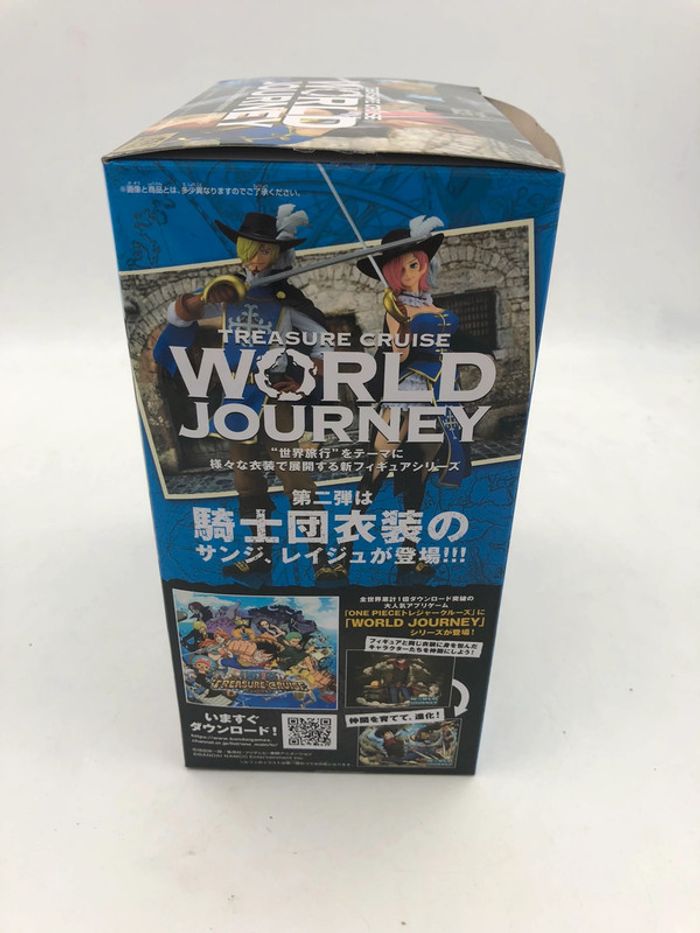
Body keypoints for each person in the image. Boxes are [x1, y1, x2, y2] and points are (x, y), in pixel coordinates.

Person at [153, 205, 345, 583]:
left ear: (277, 253)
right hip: (237, 397)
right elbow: (179, 315)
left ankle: (323, 557)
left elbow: (324, 345)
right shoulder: (228, 290)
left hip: (275, 396)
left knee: (295, 479)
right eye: (249, 250)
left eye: (264, 251)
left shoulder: (285, 297)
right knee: (246, 482)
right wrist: (207, 295)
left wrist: (304, 375)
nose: (256, 259)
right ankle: (259, 555)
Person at [354, 215, 472, 579]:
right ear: (392, 273)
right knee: (377, 469)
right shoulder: (397, 306)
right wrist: (401, 327)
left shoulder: (433, 306)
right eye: (402, 266)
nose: (411, 270)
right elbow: (399, 354)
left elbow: (454, 344)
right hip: (405, 392)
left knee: (419, 472)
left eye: (415, 263)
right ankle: (343, 549)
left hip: (436, 394)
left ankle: (409, 551)